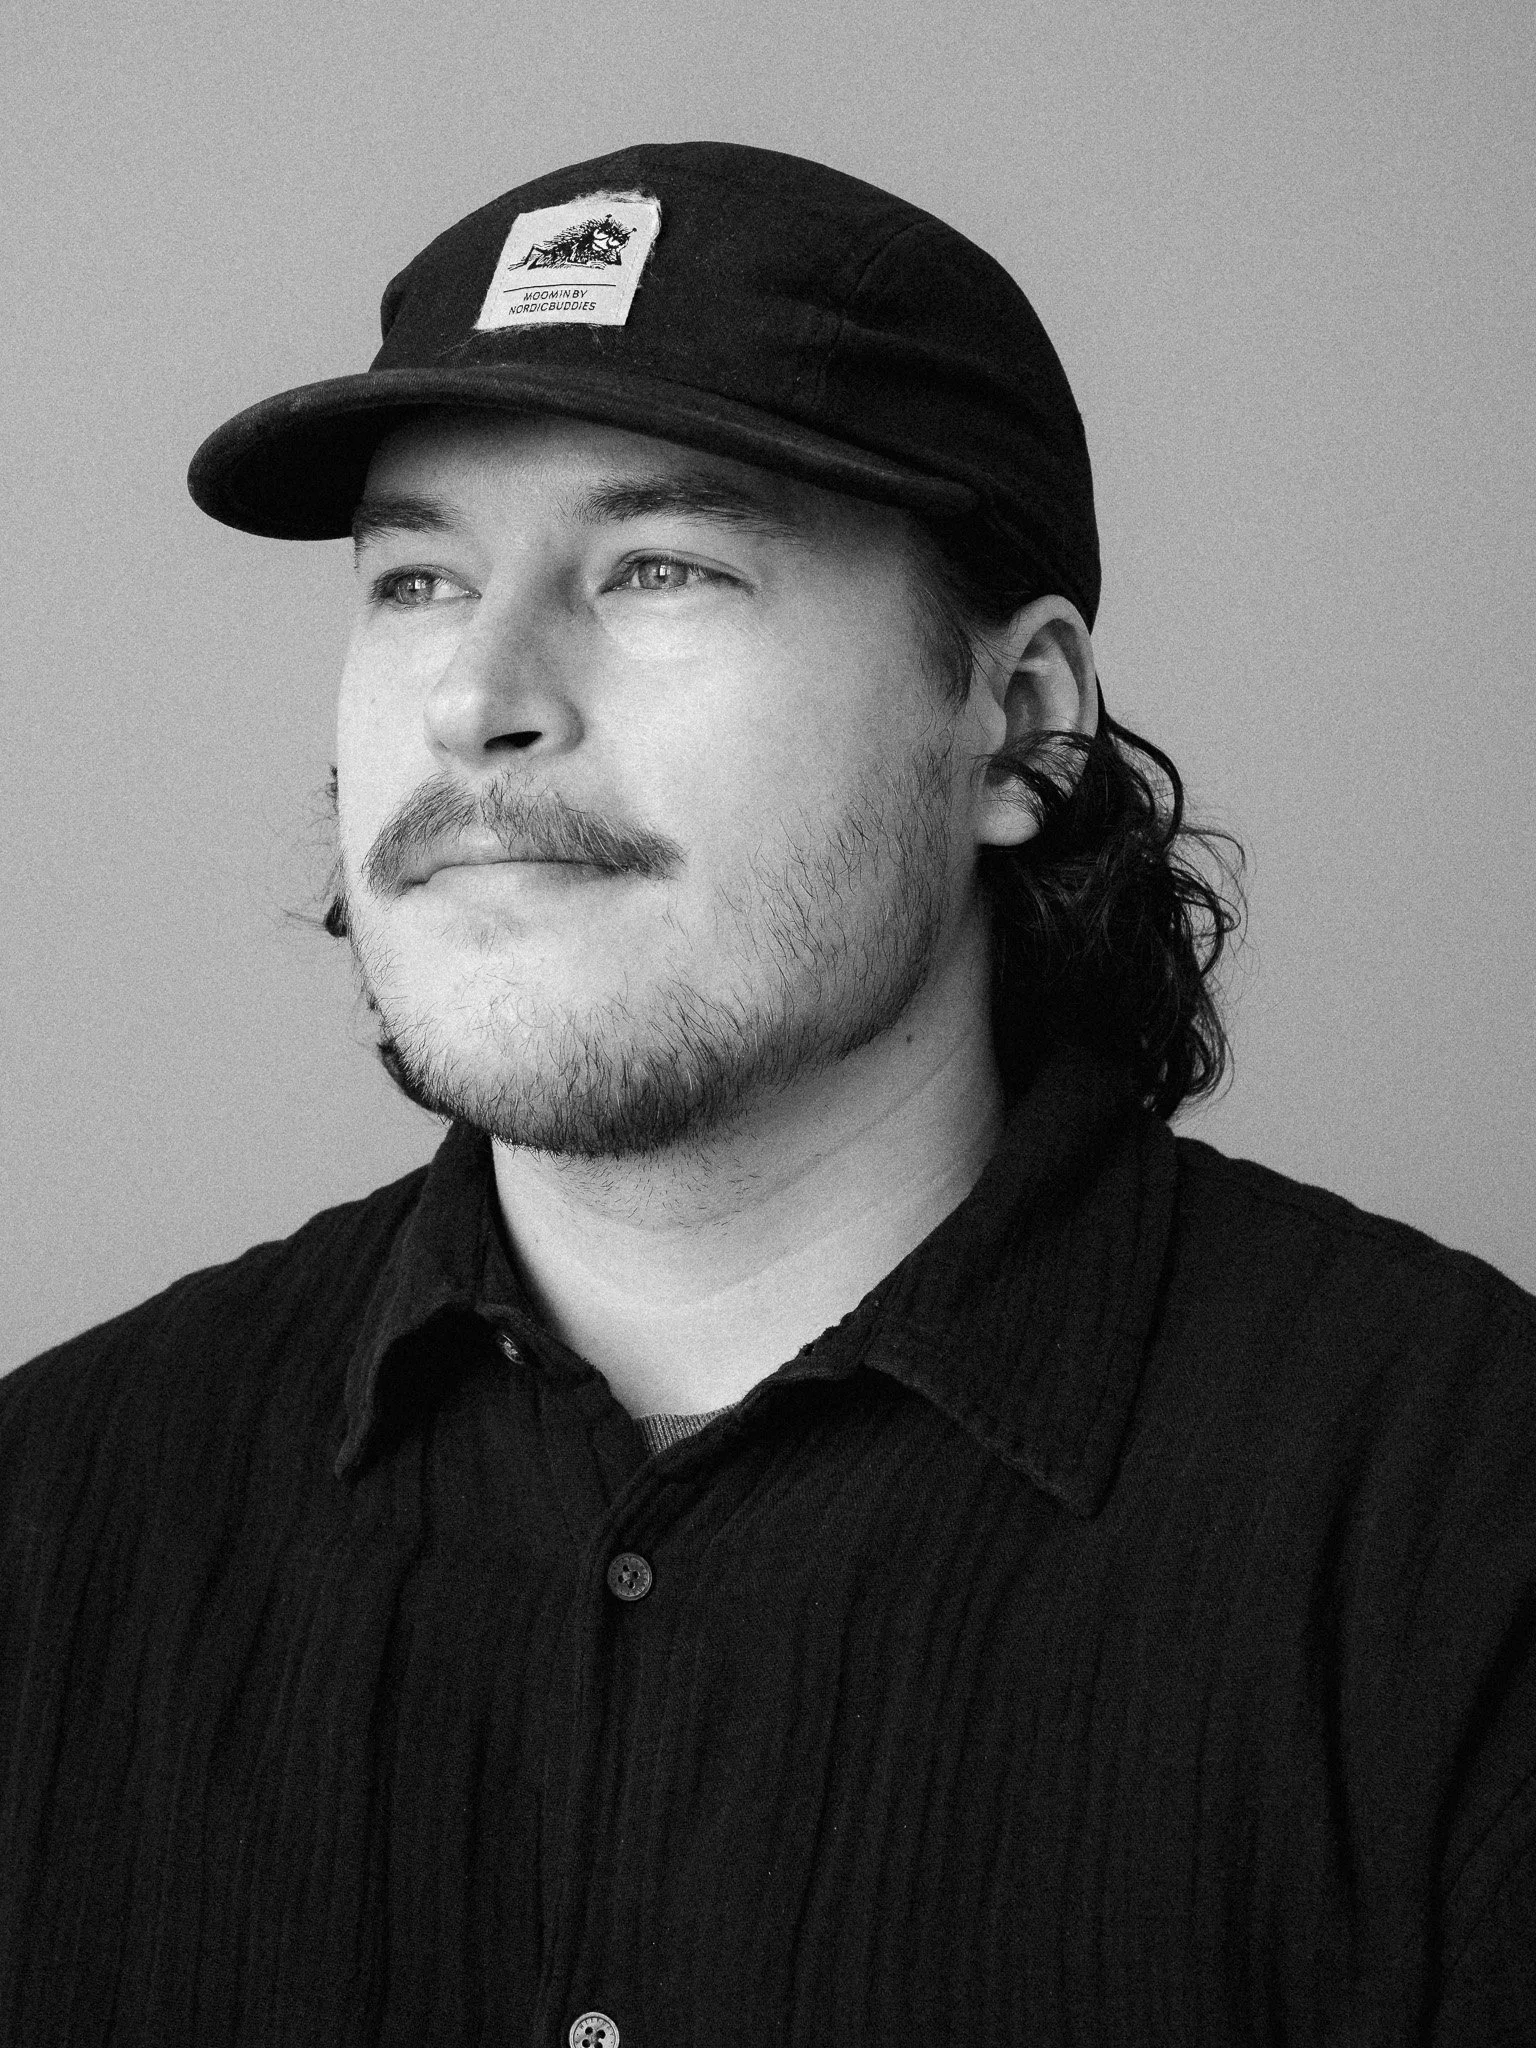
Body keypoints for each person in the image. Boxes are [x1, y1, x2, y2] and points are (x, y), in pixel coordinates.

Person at [2, 142, 1531, 2048]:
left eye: (660, 564)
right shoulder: (55, 1513)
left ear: (1023, 724)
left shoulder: (1462, 1519)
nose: (480, 695)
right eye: (414, 578)